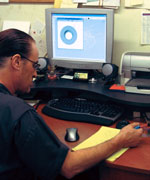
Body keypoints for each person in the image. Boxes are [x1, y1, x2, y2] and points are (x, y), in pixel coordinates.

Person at [0, 28, 143, 180]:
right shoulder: (20, 114)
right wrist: (120, 140)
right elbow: (69, 166)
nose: (36, 74)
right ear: (16, 62)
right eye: (34, 65)